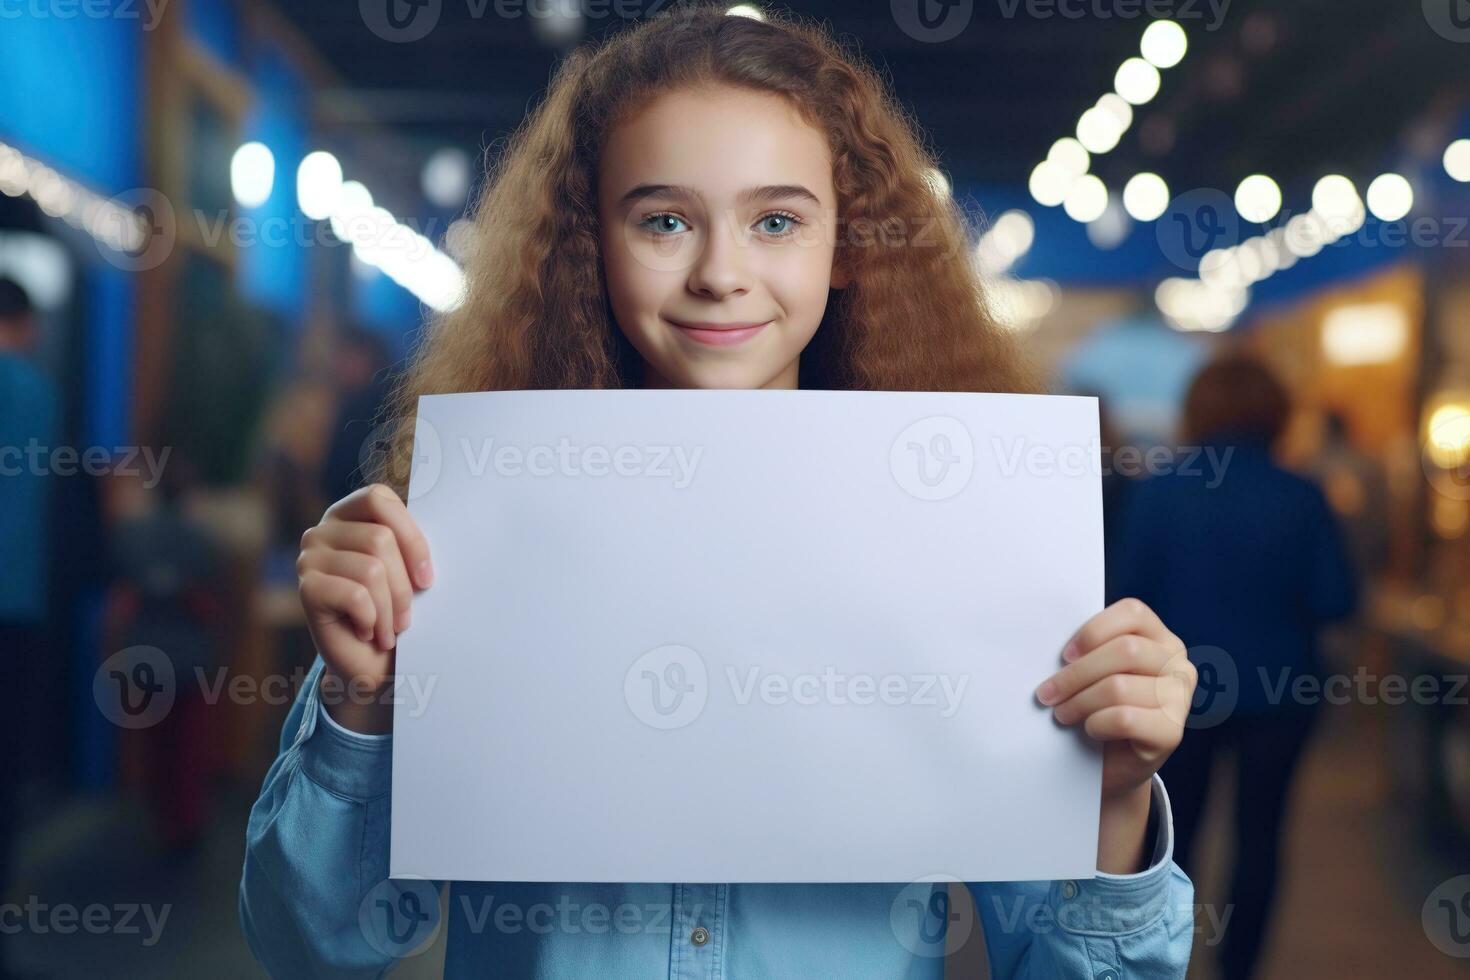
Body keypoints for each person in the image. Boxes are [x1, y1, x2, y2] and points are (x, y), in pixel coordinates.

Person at [239, 6, 1198, 976]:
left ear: (848, 246)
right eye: (664, 220)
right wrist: (361, 700)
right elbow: (312, 946)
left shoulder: (964, 536)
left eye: (775, 219)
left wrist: (1110, 798)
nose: (721, 274)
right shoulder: (465, 532)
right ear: (589, 245)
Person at [1113, 355, 1358, 980]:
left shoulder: (1159, 491)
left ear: (1197, 410)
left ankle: (1164, 959)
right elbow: (1336, 598)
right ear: (1276, 413)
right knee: (1261, 834)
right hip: (1281, 695)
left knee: (1172, 832)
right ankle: (1240, 965)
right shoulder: (1302, 496)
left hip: (1180, 696)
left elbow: (1126, 593)